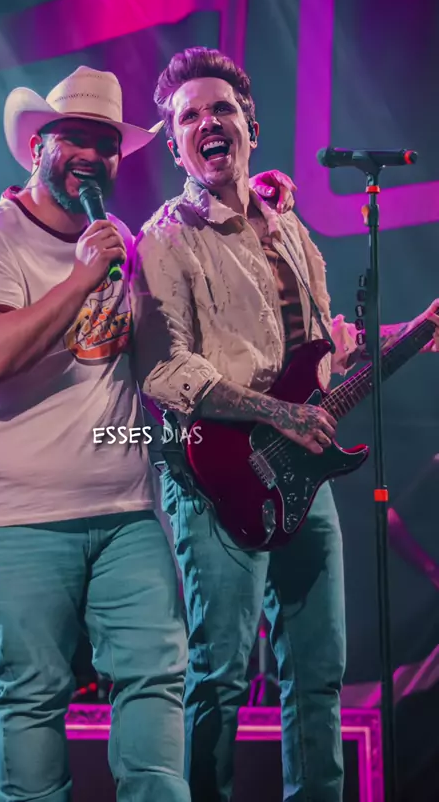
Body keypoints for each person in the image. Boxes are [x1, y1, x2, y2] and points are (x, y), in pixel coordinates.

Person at [129, 47, 439, 802]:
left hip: (304, 474)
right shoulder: (167, 237)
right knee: (220, 677)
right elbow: (164, 372)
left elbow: (327, 350)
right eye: (190, 116)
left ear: (251, 128)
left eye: (222, 109)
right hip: (217, 479)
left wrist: (419, 331)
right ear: (175, 146)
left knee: (319, 674)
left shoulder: (292, 231)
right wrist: (280, 413)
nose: (208, 123)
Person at [0, 65, 190, 802]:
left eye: (106, 143)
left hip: (125, 511)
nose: (92, 155)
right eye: (75, 139)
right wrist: (80, 278)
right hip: (15, 517)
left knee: (158, 675)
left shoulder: (117, 240)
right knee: (35, 690)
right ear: (38, 146)